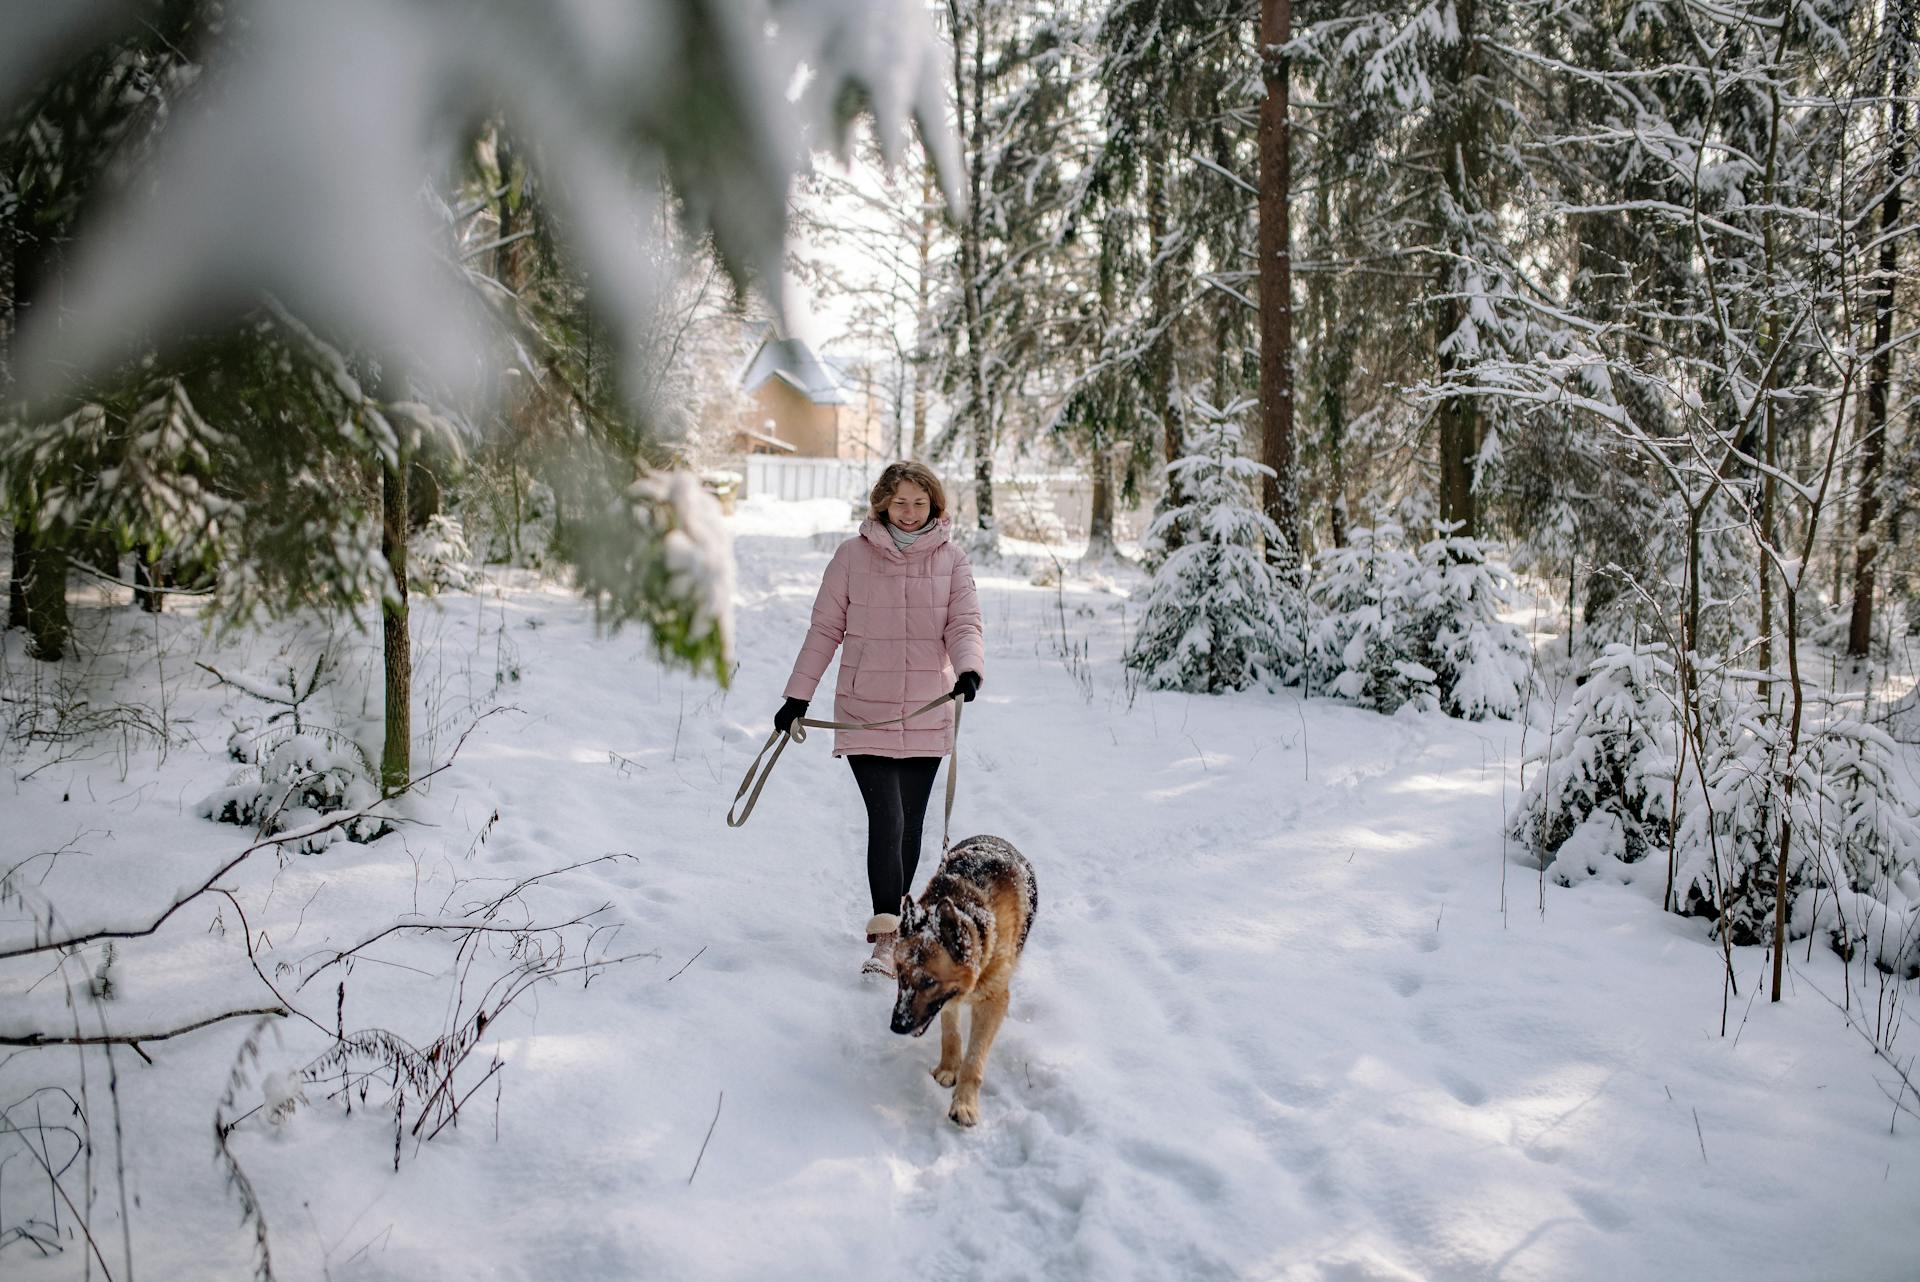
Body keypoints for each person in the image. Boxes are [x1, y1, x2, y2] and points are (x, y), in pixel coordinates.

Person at [776, 461, 985, 978]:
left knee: (911, 822)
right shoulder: (851, 557)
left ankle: (899, 924)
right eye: (899, 503)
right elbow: (825, 629)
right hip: (864, 711)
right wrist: (797, 696)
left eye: (919, 502)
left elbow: (964, 622)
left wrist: (969, 669)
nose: (909, 513)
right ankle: (886, 936)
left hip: (926, 709)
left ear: (933, 505)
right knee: (886, 818)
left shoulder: (953, 560)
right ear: (882, 505)